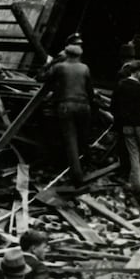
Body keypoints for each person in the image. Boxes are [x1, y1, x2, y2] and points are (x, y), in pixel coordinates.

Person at [44, 43, 94, 183]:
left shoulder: (60, 67)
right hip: (84, 106)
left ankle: (77, 176)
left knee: (70, 139)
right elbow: (90, 90)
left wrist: (51, 63)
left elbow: (41, 77)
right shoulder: (85, 68)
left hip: (67, 105)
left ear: (66, 54)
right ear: (79, 55)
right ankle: (89, 166)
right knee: (83, 138)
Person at [116, 57, 140, 199]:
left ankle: (137, 186)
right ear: (137, 72)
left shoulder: (121, 85)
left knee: (133, 156)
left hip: (127, 126)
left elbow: (114, 106)